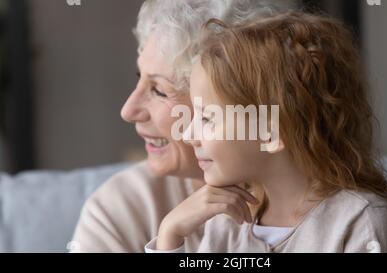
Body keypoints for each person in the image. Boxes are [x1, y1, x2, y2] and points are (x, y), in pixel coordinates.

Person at [145, 11, 387, 252]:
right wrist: (170, 236)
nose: (189, 135)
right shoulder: (226, 225)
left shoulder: (365, 226)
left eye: (206, 118)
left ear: (270, 132)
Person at [70, 0, 299, 252]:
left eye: (159, 90)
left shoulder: (337, 214)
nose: (128, 111)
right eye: (140, 79)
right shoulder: (118, 209)